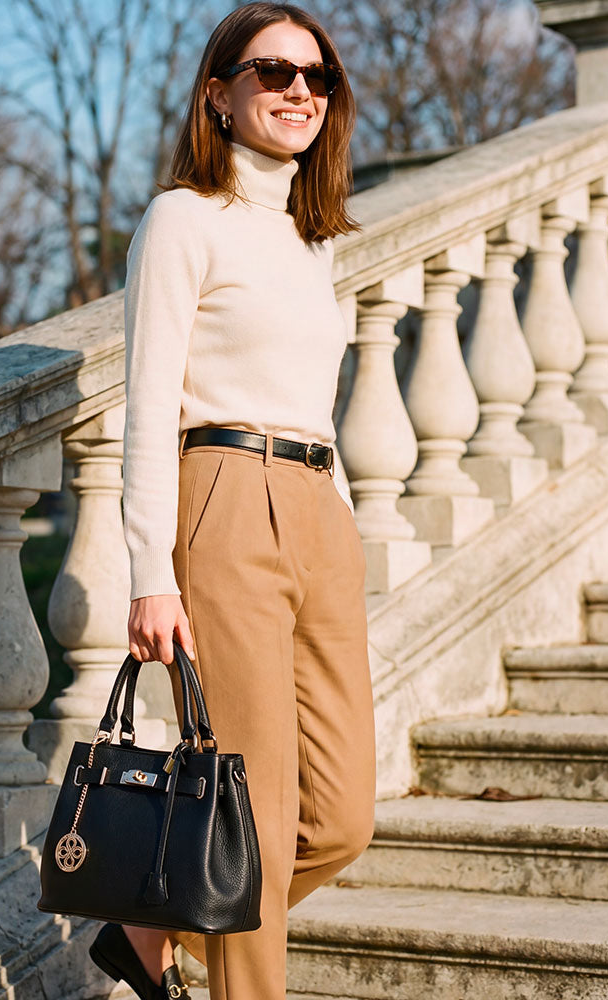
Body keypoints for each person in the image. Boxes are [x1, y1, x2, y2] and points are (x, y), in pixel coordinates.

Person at [88, 4, 377, 998]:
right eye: (271, 70)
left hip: (318, 508)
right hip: (224, 497)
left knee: (341, 814)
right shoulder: (182, 218)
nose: (299, 89)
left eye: (316, 75)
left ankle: (147, 924)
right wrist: (149, 572)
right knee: (248, 809)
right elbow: (148, 401)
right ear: (218, 92)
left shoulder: (313, 239)